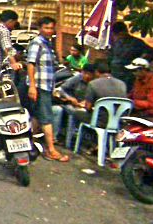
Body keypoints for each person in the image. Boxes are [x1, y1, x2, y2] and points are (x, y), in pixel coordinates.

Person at [27, 17, 69, 163]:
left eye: (51, 28)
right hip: (39, 86)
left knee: (37, 116)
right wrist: (32, 86)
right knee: (46, 118)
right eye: (46, 28)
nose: (49, 31)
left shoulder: (47, 43)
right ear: (39, 28)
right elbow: (31, 64)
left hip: (46, 86)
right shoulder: (37, 43)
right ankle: (51, 150)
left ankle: (29, 142)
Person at [73, 60, 127, 127]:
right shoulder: (122, 84)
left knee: (76, 112)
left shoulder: (93, 84)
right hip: (118, 122)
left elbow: (88, 107)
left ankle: (76, 133)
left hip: (100, 122)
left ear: (96, 72)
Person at [108, 21, 153, 91]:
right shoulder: (116, 43)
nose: (117, 37)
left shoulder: (136, 42)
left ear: (123, 32)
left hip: (128, 77)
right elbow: (110, 57)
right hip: (114, 76)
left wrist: (140, 63)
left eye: (118, 35)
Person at [52, 63, 95, 140]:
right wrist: (70, 98)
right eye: (85, 73)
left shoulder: (94, 83)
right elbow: (62, 90)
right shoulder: (77, 78)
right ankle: (68, 136)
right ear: (82, 72)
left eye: (89, 74)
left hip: (83, 105)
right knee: (73, 112)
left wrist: (86, 101)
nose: (87, 76)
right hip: (69, 103)